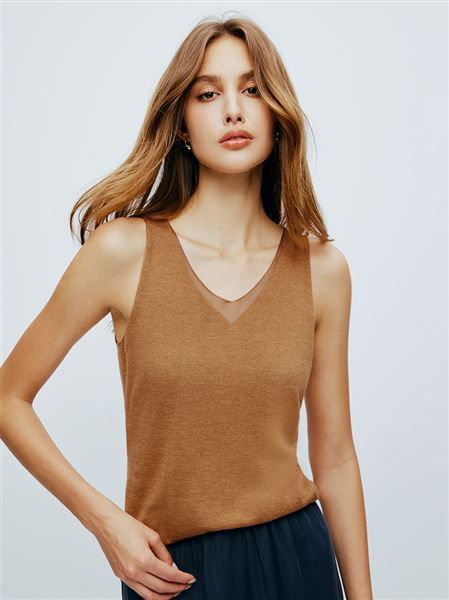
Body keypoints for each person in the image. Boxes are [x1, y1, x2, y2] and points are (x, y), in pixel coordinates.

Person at [1, 14, 373, 600]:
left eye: (252, 89)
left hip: (298, 562)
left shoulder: (322, 270)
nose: (234, 110)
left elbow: (336, 457)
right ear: (180, 123)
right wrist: (107, 523)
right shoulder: (123, 252)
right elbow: (8, 398)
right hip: (173, 576)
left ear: (277, 113)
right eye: (208, 94)